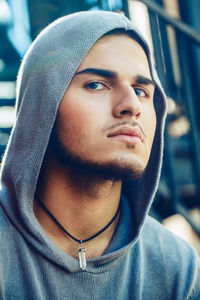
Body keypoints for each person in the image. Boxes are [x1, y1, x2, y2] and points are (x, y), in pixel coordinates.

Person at [0, 10, 199, 299]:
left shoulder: (176, 266)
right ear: (42, 106)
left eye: (142, 90)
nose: (132, 105)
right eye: (96, 84)